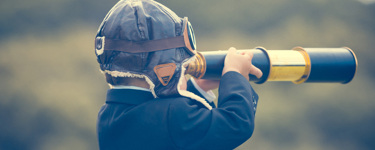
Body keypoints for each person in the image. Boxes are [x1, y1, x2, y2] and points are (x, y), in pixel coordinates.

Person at [95, 0, 263, 149]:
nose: (185, 74)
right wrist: (235, 75)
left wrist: (198, 88)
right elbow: (236, 124)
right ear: (162, 72)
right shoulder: (174, 117)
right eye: (182, 69)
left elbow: (171, 133)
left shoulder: (108, 117)